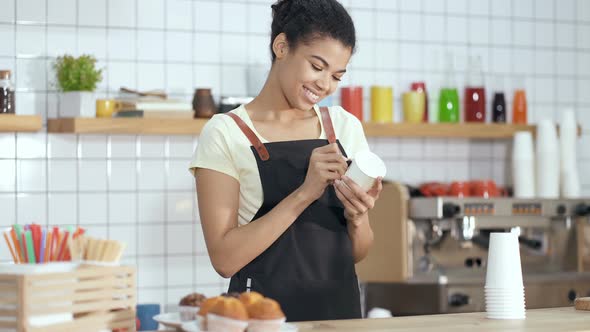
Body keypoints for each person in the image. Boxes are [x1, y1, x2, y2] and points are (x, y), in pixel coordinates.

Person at [189, 0, 382, 322]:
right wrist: (305, 193)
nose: (324, 84)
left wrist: (358, 217)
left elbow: (357, 253)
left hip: (340, 318)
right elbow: (224, 259)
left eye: (336, 76)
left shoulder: (344, 127)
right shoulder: (226, 133)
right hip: (260, 319)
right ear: (281, 46)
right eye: (317, 67)